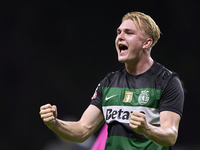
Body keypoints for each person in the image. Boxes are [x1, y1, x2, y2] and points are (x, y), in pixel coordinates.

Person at [39, 11, 184, 150]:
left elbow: (170, 135)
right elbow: (82, 130)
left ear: (146, 43)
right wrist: (55, 124)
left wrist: (147, 129)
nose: (120, 37)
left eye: (129, 32)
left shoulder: (167, 81)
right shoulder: (109, 82)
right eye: (119, 32)